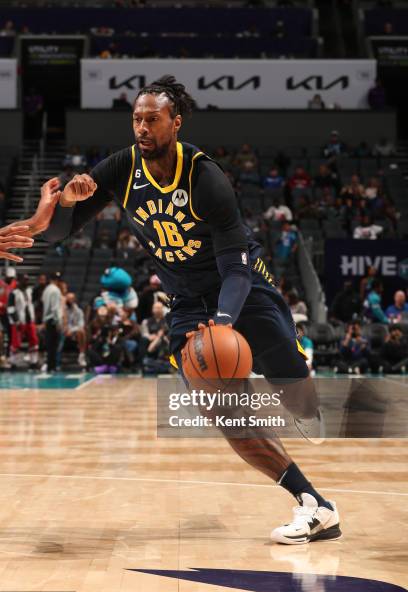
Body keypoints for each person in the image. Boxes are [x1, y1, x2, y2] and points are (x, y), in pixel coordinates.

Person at [7, 75, 341, 545]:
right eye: (136, 119)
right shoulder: (122, 169)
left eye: (152, 119)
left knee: (294, 390)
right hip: (186, 301)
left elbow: (236, 272)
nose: (141, 128)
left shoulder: (206, 178)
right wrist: (63, 204)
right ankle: (314, 505)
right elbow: (61, 231)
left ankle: (298, 369)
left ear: (175, 123)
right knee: (224, 411)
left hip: (240, 287)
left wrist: (223, 324)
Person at [7, 273, 39, 368]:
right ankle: (13, 362)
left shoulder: (29, 291)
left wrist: (34, 317)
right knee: (16, 342)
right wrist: (16, 321)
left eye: (27, 280)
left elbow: (30, 305)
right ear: (18, 281)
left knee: (34, 340)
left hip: (30, 320)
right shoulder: (14, 293)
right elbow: (10, 309)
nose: (26, 281)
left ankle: (33, 361)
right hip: (19, 321)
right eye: (24, 280)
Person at [41, 272, 63, 373]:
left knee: (50, 345)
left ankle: (50, 366)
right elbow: (55, 308)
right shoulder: (55, 290)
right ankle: (52, 366)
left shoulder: (46, 290)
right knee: (53, 345)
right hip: (52, 320)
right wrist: (58, 321)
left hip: (47, 319)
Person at [63, 292, 87, 367]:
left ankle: (81, 355)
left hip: (74, 332)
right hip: (62, 331)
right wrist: (66, 329)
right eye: (68, 299)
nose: (69, 300)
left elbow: (81, 325)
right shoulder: (62, 310)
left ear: (74, 300)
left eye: (71, 299)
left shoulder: (78, 311)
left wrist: (71, 330)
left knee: (81, 331)